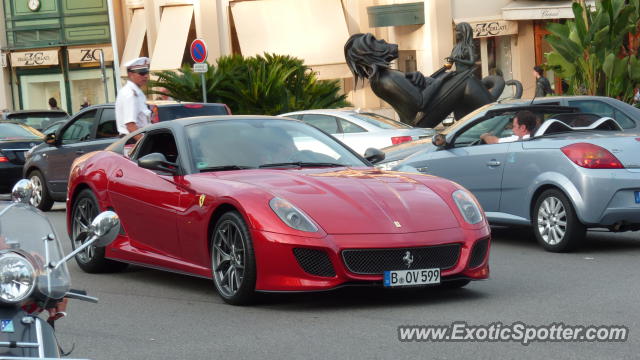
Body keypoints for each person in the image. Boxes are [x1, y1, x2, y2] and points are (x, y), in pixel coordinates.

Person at [116, 57, 151, 139]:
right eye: (141, 73)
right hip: (133, 140)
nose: (146, 76)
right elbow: (130, 125)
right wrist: (144, 144)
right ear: (130, 74)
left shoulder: (137, 92)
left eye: (146, 72)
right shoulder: (130, 94)